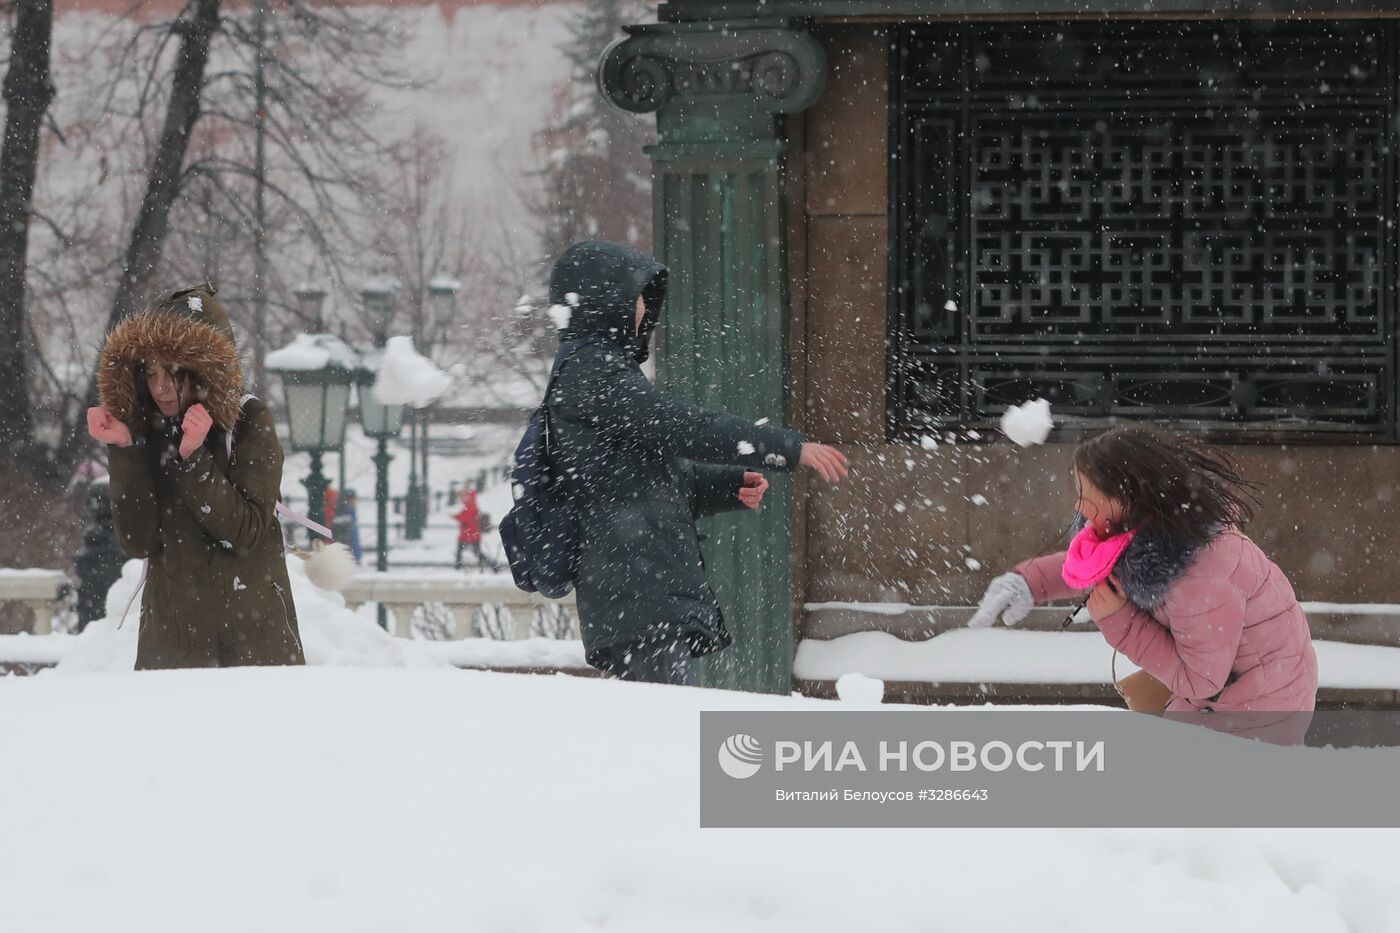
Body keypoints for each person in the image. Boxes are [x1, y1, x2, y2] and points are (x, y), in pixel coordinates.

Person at [546, 240, 849, 684]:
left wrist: (725, 487)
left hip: (642, 590)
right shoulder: (591, 371)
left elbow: (640, 479)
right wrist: (785, 448)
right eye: (634, 297)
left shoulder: (600, 370)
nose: (643, 308)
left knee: (660, 727)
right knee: (659, 734)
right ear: (602, 301)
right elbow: (683, 427)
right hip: (636, 590)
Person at [969, 425, 1317, 722]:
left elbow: (1200, 681)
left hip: (1257, 710)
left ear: (1126, 496)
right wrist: (1030, 582)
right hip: (1227, 692)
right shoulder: (1154, 530)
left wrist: (1119, 620)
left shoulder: (1202, 574)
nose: (1078, 506)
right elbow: (1097, 563)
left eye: (1085, 494)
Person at [86, 284, 304, 669]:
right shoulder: (147, 430)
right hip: (171, 651)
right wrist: (125, 450)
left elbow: (247, 531)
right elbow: (138, 540)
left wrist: (193, 458)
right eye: (150, 373)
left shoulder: (249, 420)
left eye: (173, 373)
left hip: (252, 651)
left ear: (204, 369)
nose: (161, 388)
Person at [454, 487, 500, 571]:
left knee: (469, 552)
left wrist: (454, 516)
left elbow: (465, 518)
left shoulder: (470, 505)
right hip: (470, 534)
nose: (462, 498)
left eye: (464, 496)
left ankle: (458, 568)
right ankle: (491, 565)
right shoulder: (470, 504)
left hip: (470, 534)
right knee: (475, 552)